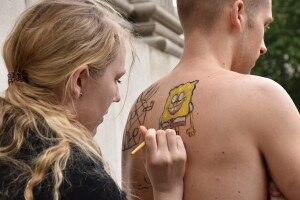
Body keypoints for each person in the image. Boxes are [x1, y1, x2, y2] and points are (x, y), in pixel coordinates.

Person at [0, 0, 186, 200]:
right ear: (79, 81)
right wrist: (168, 189)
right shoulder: (78, 180)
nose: (117, 97)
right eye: (117, 80)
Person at [122, 0, 300, 199]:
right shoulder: (264, 98)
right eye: (265, 25)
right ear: (238, 12)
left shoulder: (138, 110)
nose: (263, 47)